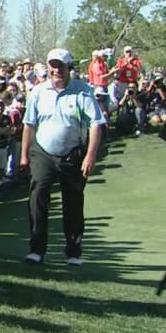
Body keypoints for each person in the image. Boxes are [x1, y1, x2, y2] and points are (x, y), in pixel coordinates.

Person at [20, 49, 105, 266]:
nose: (56, 70)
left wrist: (90, 155)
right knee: (37, 195)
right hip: (42, 152)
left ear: (69, 68)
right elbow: (29, 125)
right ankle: (37, 249)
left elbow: (96, 124)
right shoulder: (38, 92)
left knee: (73, 202)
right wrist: (24, 155)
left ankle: (74, 252)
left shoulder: (83, 91)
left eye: (61, 66)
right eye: (53, 66)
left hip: (72, 153)